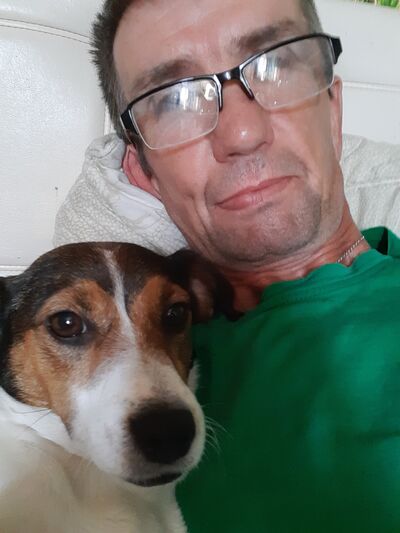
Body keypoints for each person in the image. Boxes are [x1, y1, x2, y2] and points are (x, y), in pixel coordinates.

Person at [55, 0, 400, 531]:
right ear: (145, 170)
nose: (242, 133)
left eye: (275, 64)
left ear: (332, 107)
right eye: (174, 99)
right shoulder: (116, 383)